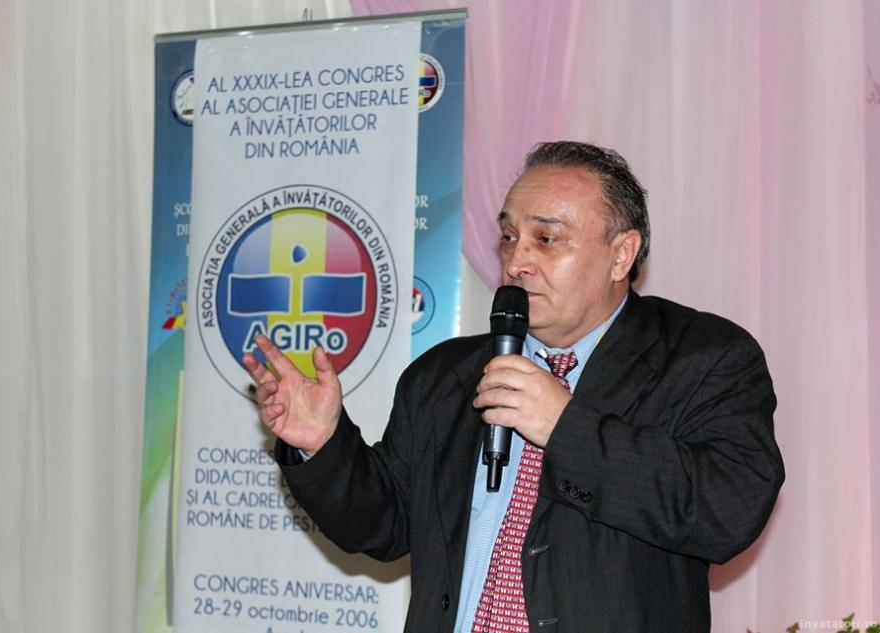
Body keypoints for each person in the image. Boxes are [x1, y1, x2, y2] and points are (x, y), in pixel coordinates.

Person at [243, 141, 784, 632]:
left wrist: (565, 426)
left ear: (621, 254)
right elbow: (385, 525)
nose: (517, 262)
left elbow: (728, 512)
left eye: (546, 239)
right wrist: (323, 443)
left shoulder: (702, 358)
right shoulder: (445, 375)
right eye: (509, 237)